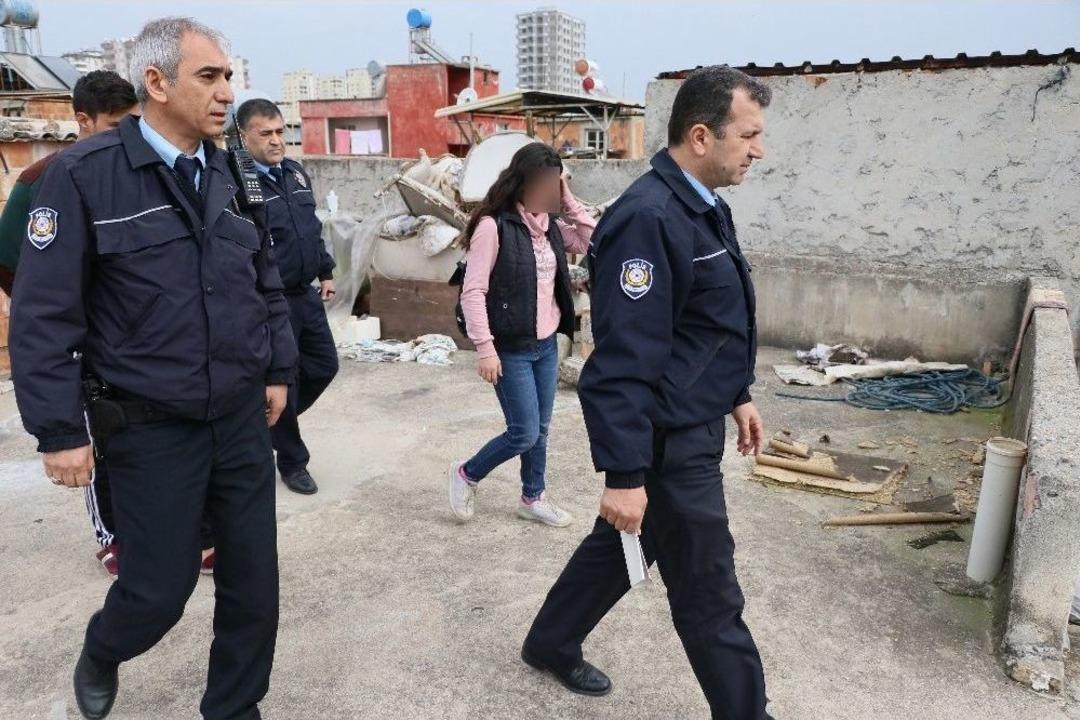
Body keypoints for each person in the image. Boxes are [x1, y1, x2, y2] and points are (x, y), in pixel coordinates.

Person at [9, 17, 296, 720]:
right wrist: (56, 430)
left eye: (230, 76)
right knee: (158, 590)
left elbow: (263, 276)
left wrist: (278, 367)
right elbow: (43, 314)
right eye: (210, 77)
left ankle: (234, 706)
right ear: (157, 83)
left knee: (254, 584)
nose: (227, 92)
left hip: (236, 417)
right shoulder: (84, 178)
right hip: (147, 426)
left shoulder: (230, 171)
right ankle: (105, 647)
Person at [520, 66, 774, 719]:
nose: (758, 149)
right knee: (709, 590)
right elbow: (623, 363)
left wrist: (737, 392)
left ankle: (550, 641)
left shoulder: (702, 205)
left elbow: (705, 323)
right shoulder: (648, 220)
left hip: (691, 419)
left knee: (623, 547)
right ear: (699, 136)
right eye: (747, 135)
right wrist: (626, 474)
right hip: (667, 439)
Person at [0, 70, 138, 579]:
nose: (127, 135)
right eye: (116, 124)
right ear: (83, 121)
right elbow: (13, 260)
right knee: (94, 440)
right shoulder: (44, 179)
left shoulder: (138, 172)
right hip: (80, 342)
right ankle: (112, 537)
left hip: (132, 337)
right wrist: (62, 314)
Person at [448, 143, 595, 527]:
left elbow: (594, 239)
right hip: (509, 349)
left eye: (555, 185)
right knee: (523, 432)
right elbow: (473, 292)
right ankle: (466, 474)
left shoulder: (551, 228)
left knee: (540, 430)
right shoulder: (492, 226)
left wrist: (568, 198)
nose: (550, 192)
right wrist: (485, 349)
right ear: (523, 183)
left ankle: (532, 497)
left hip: (546, 345)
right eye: (546, 184)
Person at [236, 98, 338, 495]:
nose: (277, 141)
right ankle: (293, 460)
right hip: (269, 302)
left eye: (281, 131)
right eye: (266, 134)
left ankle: (270, 424)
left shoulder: (294, 173)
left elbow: (310, 226)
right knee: (283, 379)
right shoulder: (240, 182)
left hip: (305, 294)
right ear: (244, 137)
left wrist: (326, 270)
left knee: (324, 365)